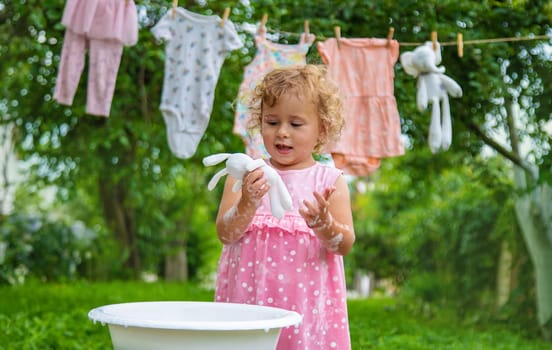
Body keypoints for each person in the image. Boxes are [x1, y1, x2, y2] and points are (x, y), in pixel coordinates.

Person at [214, 64, 355, 350]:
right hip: (248, 303)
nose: (282, 133)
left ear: (321, 130)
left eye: (296, 124)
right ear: (260, 122)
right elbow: (226, 234)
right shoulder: (244, 176)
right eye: (272, 122)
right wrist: (247, 202)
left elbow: (344, 244)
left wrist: (325, 225)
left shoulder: (330, 181)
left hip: (306, 310)